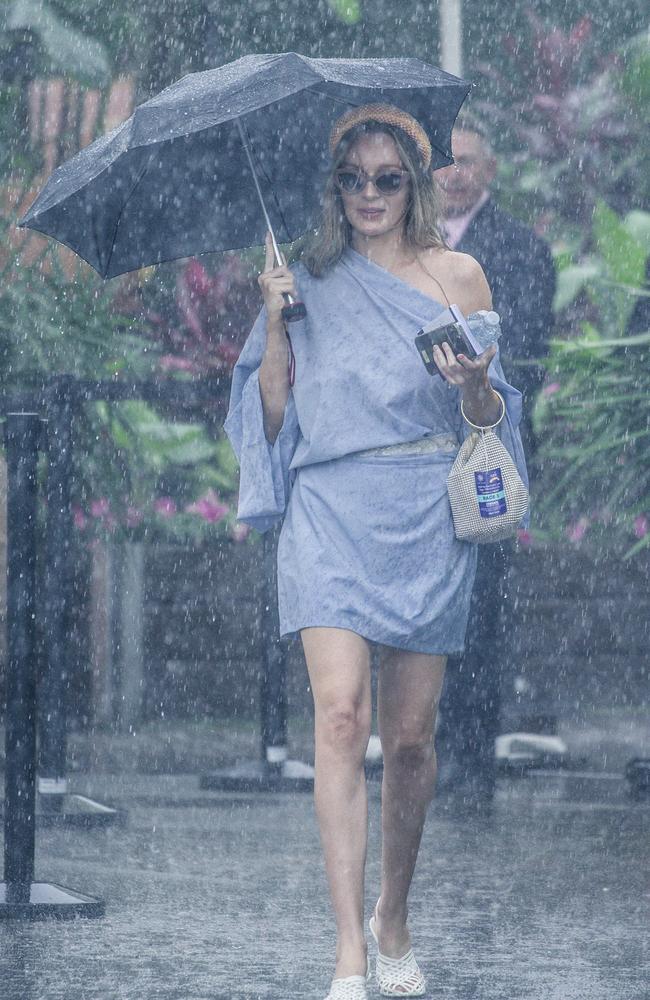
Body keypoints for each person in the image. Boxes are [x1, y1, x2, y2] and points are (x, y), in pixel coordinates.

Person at [225, 104, 528, 1000]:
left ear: (416, 184)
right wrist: (276, 323)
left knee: (409, 740)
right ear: (334, 187)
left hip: (423, 512)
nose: (367, 194)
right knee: (341, 719)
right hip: (328, 510)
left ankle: (394, 915)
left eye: (386, 178)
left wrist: (475, 386)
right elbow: (272, 419)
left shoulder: (458, 278)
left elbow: (490, 420)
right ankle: (348, 952)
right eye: (352, 179)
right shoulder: (304, 277)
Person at [434, 116, 556, 804]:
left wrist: (475, 384)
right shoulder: (406, 245)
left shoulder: (521, 249)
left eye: (468, 162)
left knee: (483, 599)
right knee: (430, 601)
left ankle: (472, 754)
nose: (454, 173)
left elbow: (529, 354)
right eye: (445, 162)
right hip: (421, 455)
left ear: (493, 169)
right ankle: (428, 744)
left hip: (488, 450)